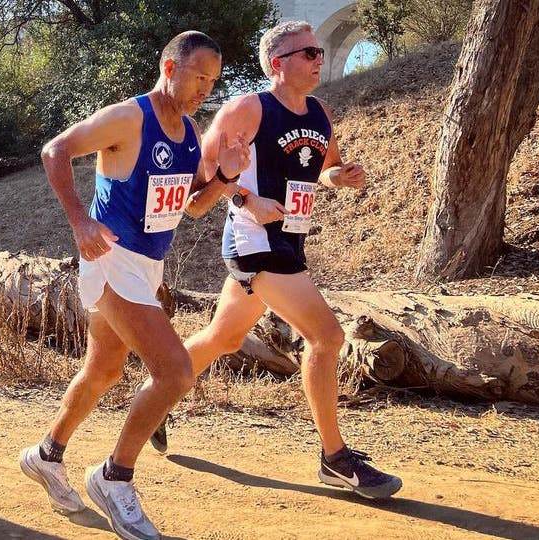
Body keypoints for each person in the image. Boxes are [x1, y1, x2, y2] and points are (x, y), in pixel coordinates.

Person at [151, 21, 402, 500]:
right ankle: (334, 458)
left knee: (224, 338)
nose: (317, 59)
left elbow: (324, 168)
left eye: (318, 53)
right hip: (253, 241)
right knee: (326, 337)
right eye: (307, 52)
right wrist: (246, 199)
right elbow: (204, 173)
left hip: (291, 240)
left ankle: (158, 395)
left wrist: (339, 177)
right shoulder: (249, 107)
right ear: (276, 63)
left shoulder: (320, 112)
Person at [18, 32, 249, 540]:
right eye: (197, 77)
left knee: (102, 370)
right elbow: (55, 149)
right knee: (176, 372)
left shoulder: (188, 133)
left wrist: (225, 179)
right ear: (170, 67)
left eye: (212, 82)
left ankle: (46, 455)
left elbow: (191, 206)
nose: (204, 90)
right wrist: (79, 221)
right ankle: (114, 476)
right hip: (111, 259)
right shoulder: (129, 116)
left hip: (148, 265)